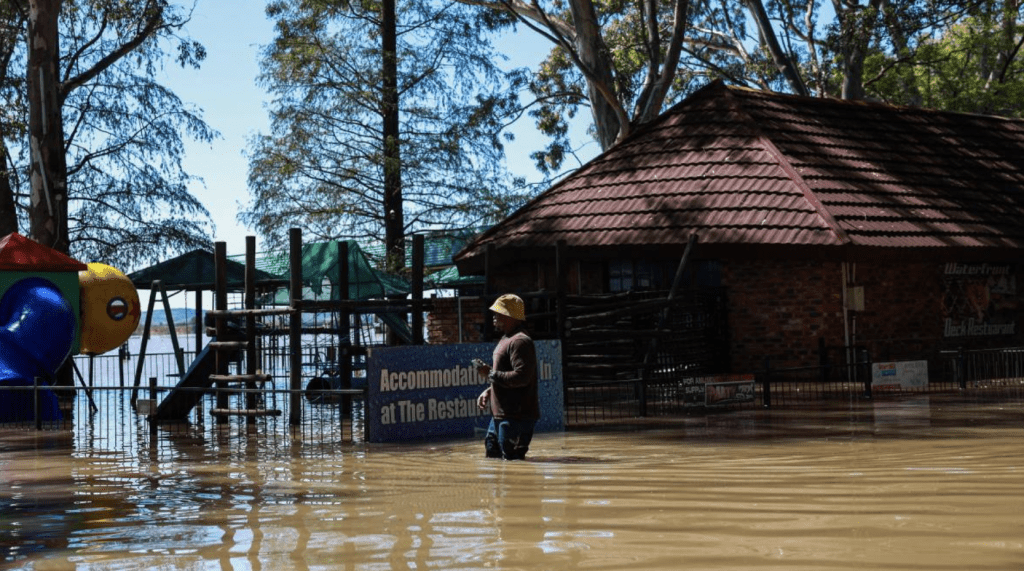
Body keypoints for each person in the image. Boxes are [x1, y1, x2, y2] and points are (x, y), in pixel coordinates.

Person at [475, 294, 538, 460]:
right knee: (493, 455)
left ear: (510, 316)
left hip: (516, 416)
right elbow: (508, 375)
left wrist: (490, 374)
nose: (494, 317)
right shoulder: (506, 339)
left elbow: (522, 377)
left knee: (514, 464)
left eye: (498, 313)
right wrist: (490, 390)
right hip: (502, 415)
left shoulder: (520, 341)